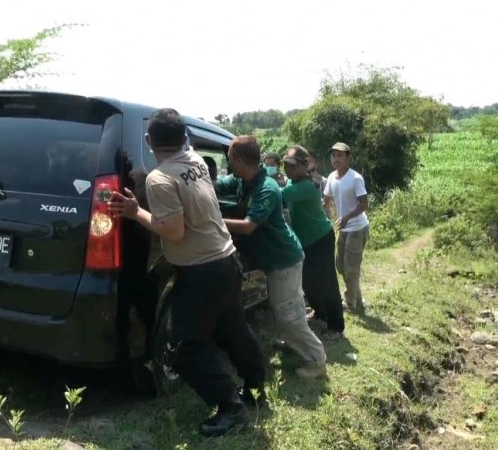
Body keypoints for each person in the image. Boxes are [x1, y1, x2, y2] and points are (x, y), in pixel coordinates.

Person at [108, 109, 266, 437]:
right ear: (185, 139)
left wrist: (136, 212)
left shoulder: (160, 178)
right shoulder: (195, 160)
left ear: (149, 141)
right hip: (227, 261)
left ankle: (230, 407)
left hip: (201, 272)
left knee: (182, 349)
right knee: (233, 330)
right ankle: (254, 390)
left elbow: (174, 231)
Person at [217, 135, 327, 380]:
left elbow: (248, 226)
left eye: (230, 159)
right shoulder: (241, 180)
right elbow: (216, 186)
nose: (229, 164)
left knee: (289, 313)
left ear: (240, 160)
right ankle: (295, 341)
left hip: (283, 258)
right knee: (289, 310)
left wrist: (210, 221)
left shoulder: (268, 189)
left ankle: (316, 360)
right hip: (273, 258)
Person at [281, 146, 345, 340]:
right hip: (307, 241)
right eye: (285, 165)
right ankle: (319, 313)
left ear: (304, 166)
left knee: (327, 282)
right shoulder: (295, 182)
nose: (288, 170)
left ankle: (336, 326)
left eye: (292, 166)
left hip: (320, 238)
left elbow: (279, 195)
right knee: (309, 281)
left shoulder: (306, 187)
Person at [323, 142, 370, 313]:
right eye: (333, 155)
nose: (336, 159)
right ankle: (357, 297)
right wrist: (323, 210)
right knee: (341, 265)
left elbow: (363, 204)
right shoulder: (331, 177)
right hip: (342, 227)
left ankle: (350, 303)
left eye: (340, 155)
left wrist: (347, 217)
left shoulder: (355, 178)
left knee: (350, 267)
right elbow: (326, 199)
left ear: (348, 159)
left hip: (357, 227)